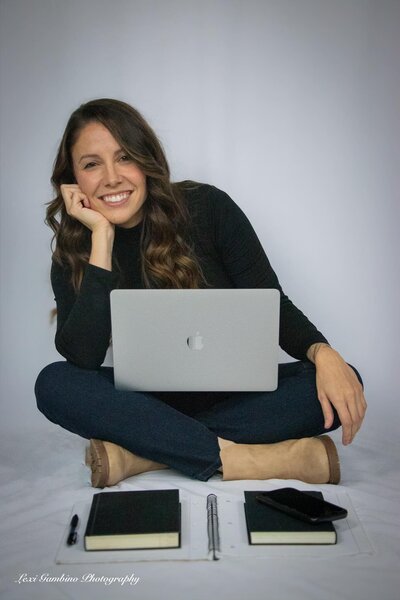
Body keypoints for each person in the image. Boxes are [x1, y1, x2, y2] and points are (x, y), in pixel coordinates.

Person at [35, 98, 367, 488]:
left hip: (236, 398)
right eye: (92, 164)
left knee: (345, 378)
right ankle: (256, 458)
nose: (111, 178)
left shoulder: (207, 207)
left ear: (146, 161)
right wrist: (102, 240)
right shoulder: (76, 248)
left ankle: (143, 454)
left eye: (124, 158)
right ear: (72, 179)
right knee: (54, 383)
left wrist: (322, 352)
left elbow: (272, 303)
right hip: (143, 403)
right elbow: (83, 359)